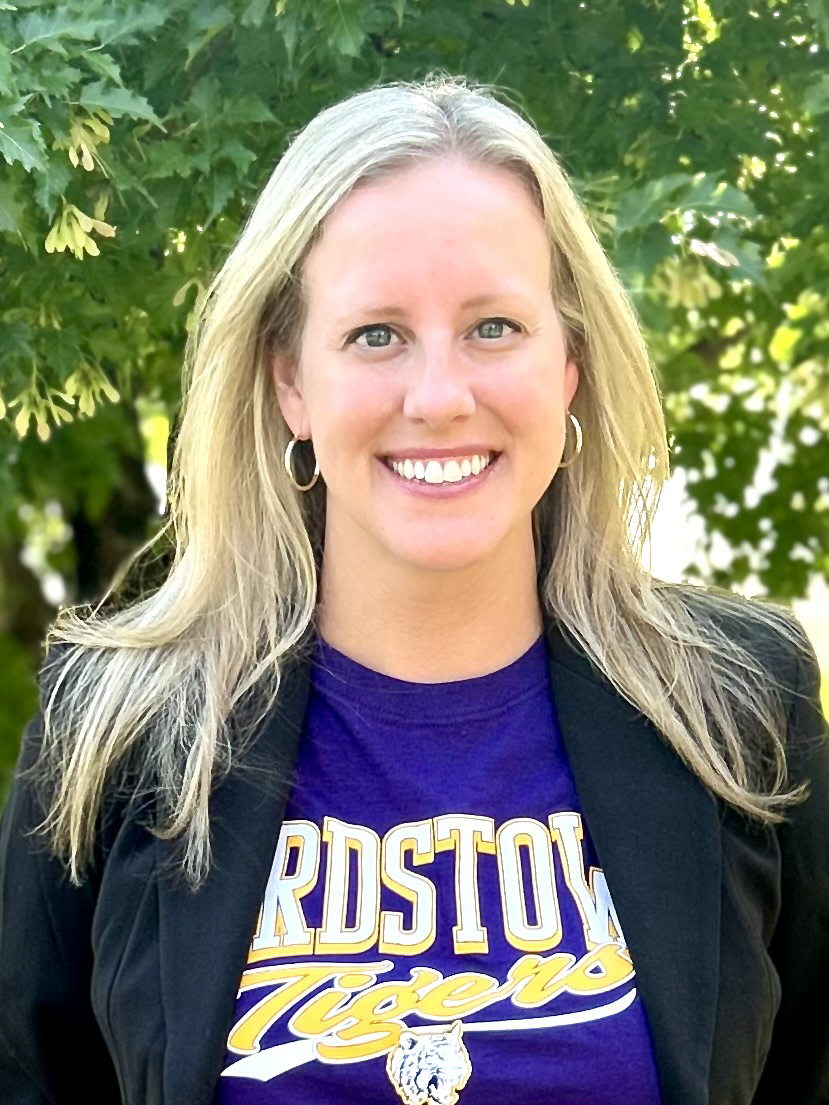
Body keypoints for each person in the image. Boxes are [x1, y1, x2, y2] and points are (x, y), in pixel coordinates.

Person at [0, 74, 827, 1105]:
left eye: (494, 327)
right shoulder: (116, 729)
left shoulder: (737, 707)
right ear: (289, 381)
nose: (440, 396)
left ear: (567, 361)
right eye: (375, 334)